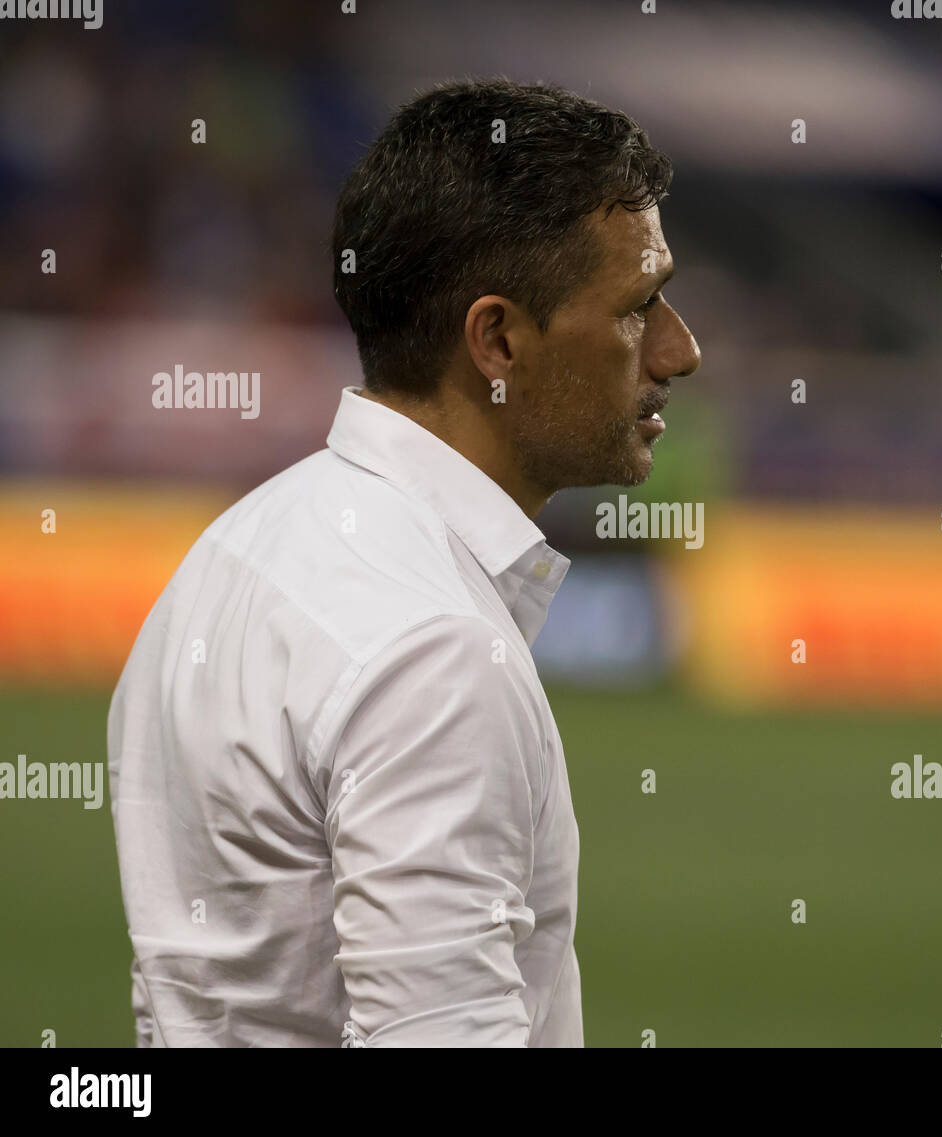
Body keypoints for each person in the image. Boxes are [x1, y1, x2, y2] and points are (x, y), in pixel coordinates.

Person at [106, 78, 702, 1047]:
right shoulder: (432, 649)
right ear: (498, 340)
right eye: (640, 308)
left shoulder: (231, 552)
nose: (681, 351)